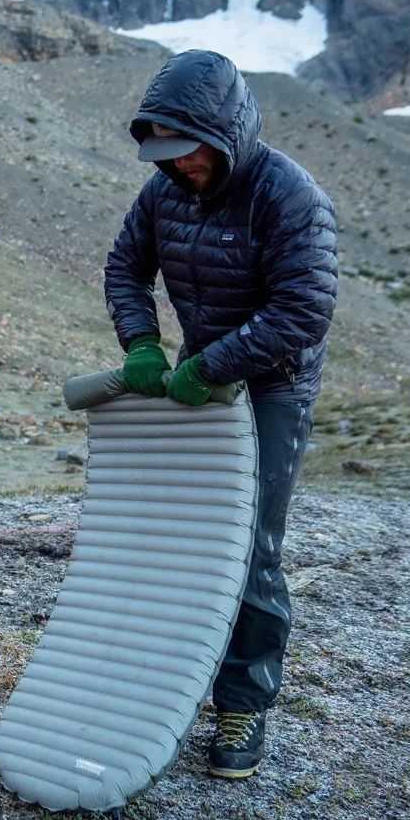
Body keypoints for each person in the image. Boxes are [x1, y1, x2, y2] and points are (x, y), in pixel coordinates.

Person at [103, 49, 338, 779]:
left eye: (188, 149)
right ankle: (163, 687)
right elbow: (124, 266)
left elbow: (304, 310)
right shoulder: (161, 191)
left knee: (247, 545)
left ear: (226, 132)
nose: (178, 165)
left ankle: (242, 701)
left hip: (271, 384)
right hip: (198, 375)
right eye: (164, 151)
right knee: (178, 542)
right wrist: (143, 342)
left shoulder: (289, 197)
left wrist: (209, 366)